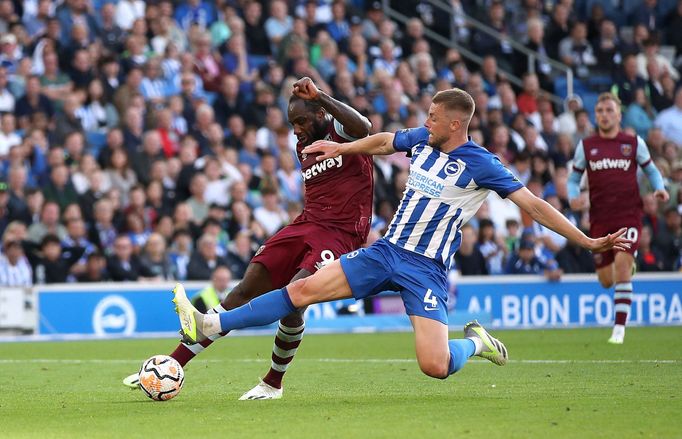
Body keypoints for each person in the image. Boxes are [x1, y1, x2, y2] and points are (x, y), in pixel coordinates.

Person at [171, 88, 629, 384]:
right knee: (302, 289)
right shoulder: (423, 141)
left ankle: (477, 343)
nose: (425, 121)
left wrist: (587, 242)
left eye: (432, 116)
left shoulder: (481, 163)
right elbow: (381, 139)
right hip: (385, 252)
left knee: (435, 366)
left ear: (455, 123)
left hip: (424, 269)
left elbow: (534, 205)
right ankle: (212, 323)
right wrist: (340, 146)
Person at [124, 77, 373, 400]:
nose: (296, 129)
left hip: (341, 232)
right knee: (245, 287)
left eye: (301, 121)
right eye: (291, 123)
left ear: (321, 115)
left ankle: (272, 382)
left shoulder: (341, 133)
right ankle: (169, 365)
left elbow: (365, 127)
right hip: (307, 223)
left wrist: (321, 96)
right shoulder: (303, 145)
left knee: (295, 297)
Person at [567, 92, 669, 345]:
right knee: (605, 280)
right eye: (600, 110)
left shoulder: (633, 143)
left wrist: (659, 187)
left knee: (622, 268)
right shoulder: (587, 146)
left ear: (619, 115)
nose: (604, 115)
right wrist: (573, 196)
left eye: (609, 110)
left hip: (629, 216)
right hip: (600, 219)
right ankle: (625, 267)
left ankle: (619, 330)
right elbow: (572, 179)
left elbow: (651, 170)